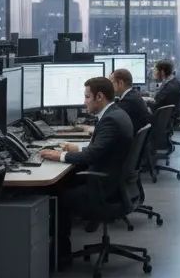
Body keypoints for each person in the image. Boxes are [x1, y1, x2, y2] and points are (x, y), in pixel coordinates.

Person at [41, 77, 134, 261]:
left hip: (104, 187)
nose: (84, 102)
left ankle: (61, 255)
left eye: (87, 97)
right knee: (66, 181)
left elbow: (92, 156)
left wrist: (59, 156)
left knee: (56, 194)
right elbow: (102, 149)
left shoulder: (110, 120)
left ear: (99, 96)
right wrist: (77, 149)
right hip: (115, 182)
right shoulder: (115, 114)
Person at [111, 67, 151, 133]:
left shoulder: (128, 101)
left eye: (112, 83)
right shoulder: (133, 94)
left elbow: (112, 121)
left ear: (120, 83)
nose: (110, 86)